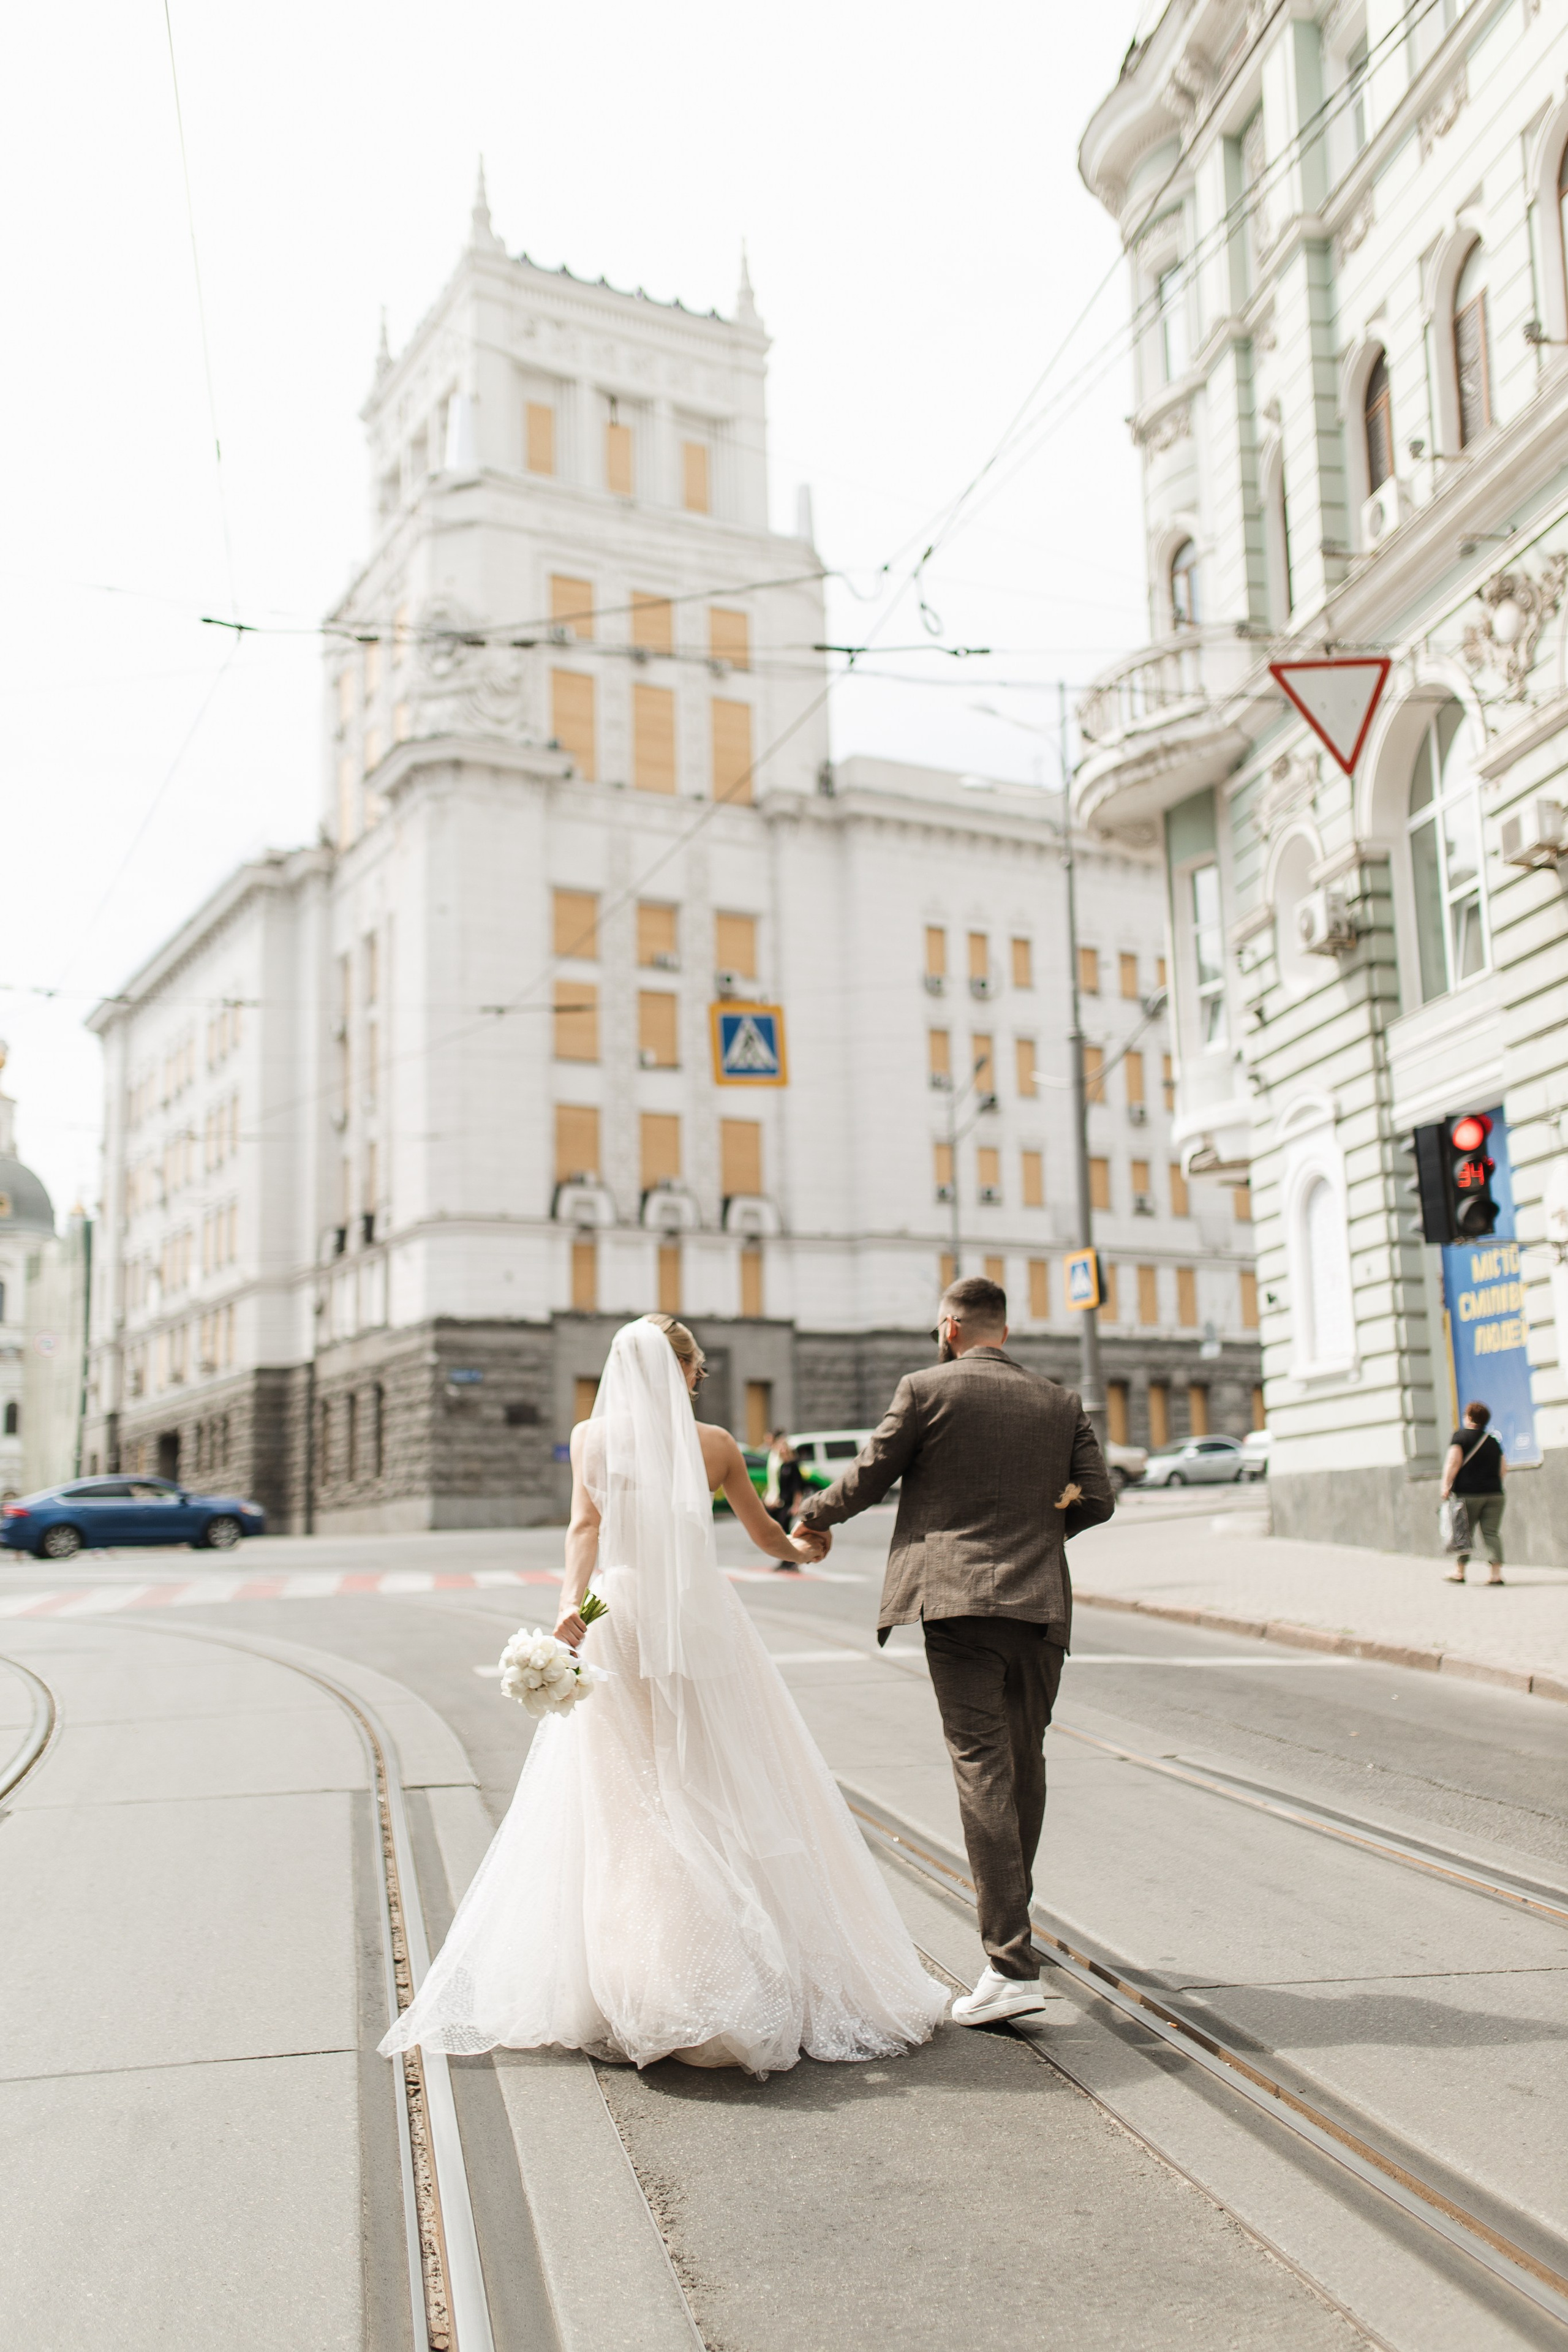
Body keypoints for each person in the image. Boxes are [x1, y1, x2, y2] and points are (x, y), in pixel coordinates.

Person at [381, 1314, 946, 2076]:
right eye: (697, 1370)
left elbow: (584, 1530)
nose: (697, 1381)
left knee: (625, 1793)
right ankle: (735, 1962)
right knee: (719, 1778)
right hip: (699, 1621)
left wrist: (569, 1617)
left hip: (616, 1618)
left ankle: (640, 1977)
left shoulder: (588, 1439)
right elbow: (763, 1537)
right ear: (677, 1370)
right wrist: (806, 1548)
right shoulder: (713, 1446)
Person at [793, 1275, 1115, 2027]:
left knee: (981, 1768)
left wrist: (809, 1514)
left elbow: (869, 1476)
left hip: (958, 1602)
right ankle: (1012, 1944)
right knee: (1023, 1762)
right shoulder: (1060, 1401)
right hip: (1038, 1606)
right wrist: (1038, 1537)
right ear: (1000, 1329)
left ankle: (1009, 1963)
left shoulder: (926, 1389)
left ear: (948, 1328)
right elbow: (1097, 1499)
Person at [1440, 1400, 1507, 1586]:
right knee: (1492, 1533)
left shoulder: (1460, 1437)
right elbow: (1503, 1468)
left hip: (1468, 1495)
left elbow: (1453, 1462)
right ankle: (1496, 1575)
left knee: (1464, 1533)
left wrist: (1445, 1485)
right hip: (1495, 1494)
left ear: (1469, 1417)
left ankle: (1459, 1572)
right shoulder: (1493, 1440)